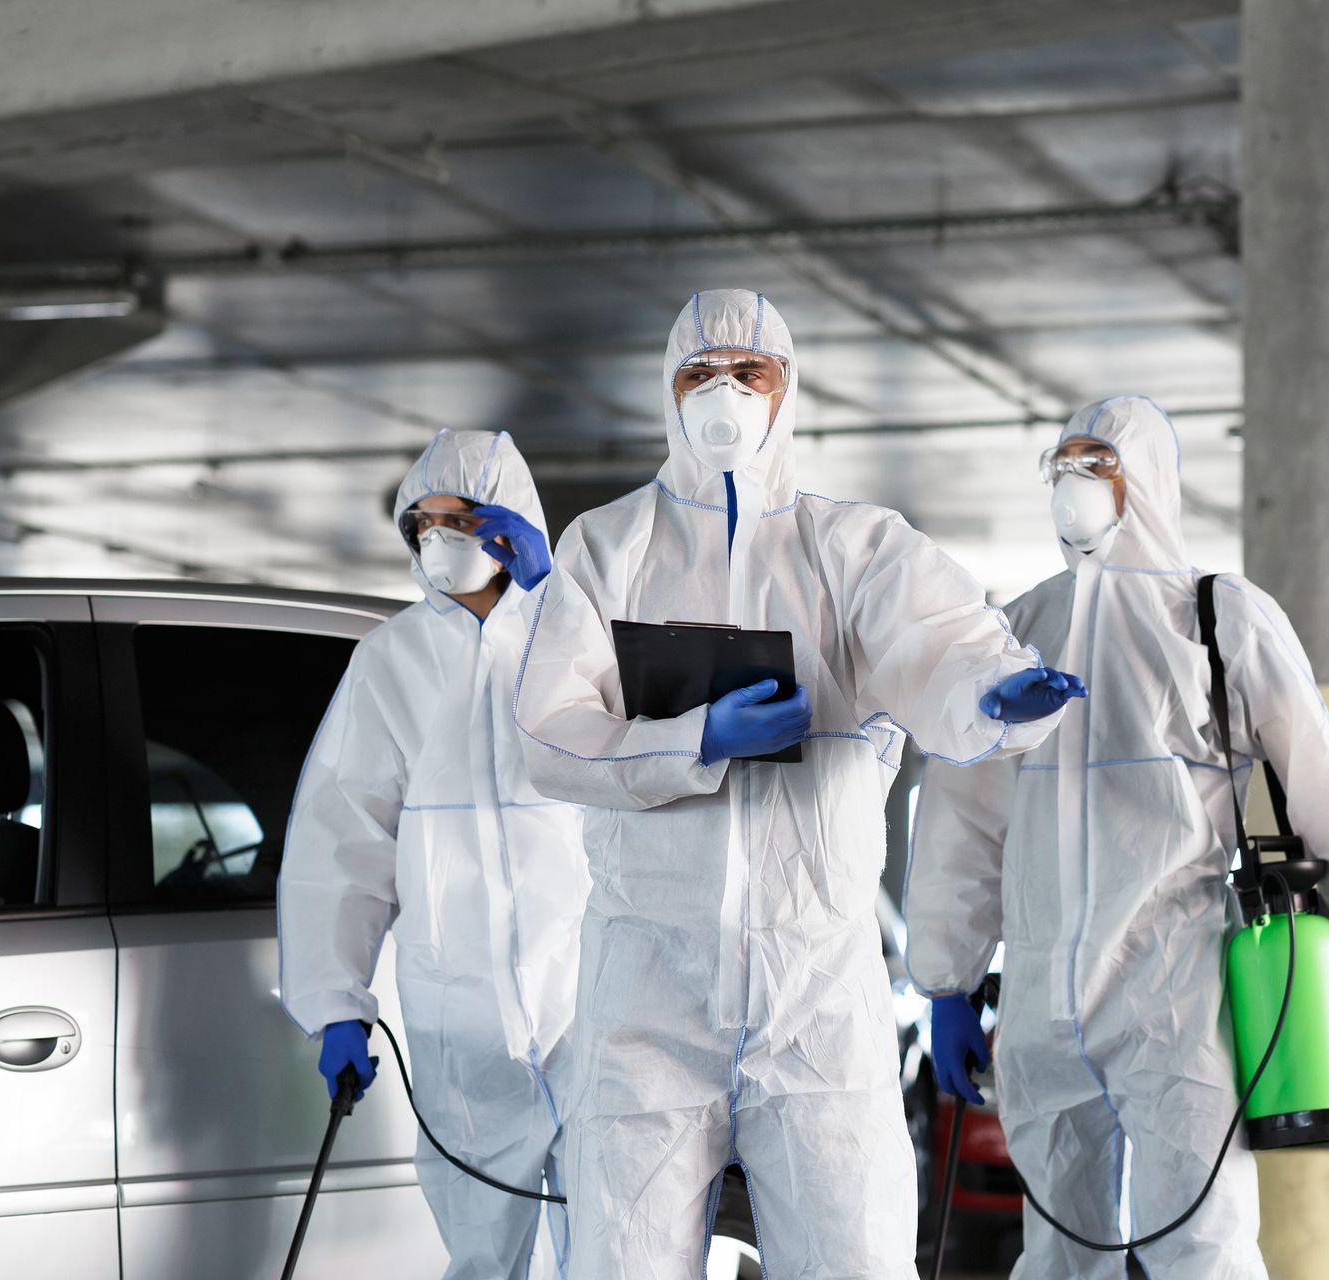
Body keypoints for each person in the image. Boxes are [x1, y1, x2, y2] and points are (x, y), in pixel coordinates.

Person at [510, 289, 1085, 1279]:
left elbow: (935, 636)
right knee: (619, 1263)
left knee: (853, 1259)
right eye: (700, 373)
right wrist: (692, 736)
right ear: (668, 389)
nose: (723, 392)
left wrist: (994, 691)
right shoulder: (607, 549)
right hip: (646, 986)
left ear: (786, 388)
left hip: (816, 990)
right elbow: (548, 737)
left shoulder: (851, 547)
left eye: (749, 371)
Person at [904, 396, 1329, 1280]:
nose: (1075, 489)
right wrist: (946, 980)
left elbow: (1318, 780)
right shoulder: (1015, 634)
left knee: (1202, 1253)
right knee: (1058, 1257)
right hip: (1040, 1007)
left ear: (1146, 483)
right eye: (1062, 469)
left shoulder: (1218, 621)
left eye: (1096, 468)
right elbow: (961, 817)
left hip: (1177, 999)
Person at [279, 428, 586, 1280]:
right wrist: (338, 1000)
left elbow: (650, 761)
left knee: (623, 1248)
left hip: (592, 1002)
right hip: (463, 1017)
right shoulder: (392, 660)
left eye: (464, 519)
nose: (440, 539)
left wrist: (558, 602)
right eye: (424, 524)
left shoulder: (577, 640)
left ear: (512, 525)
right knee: (484, 1256)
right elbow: (341, 837)